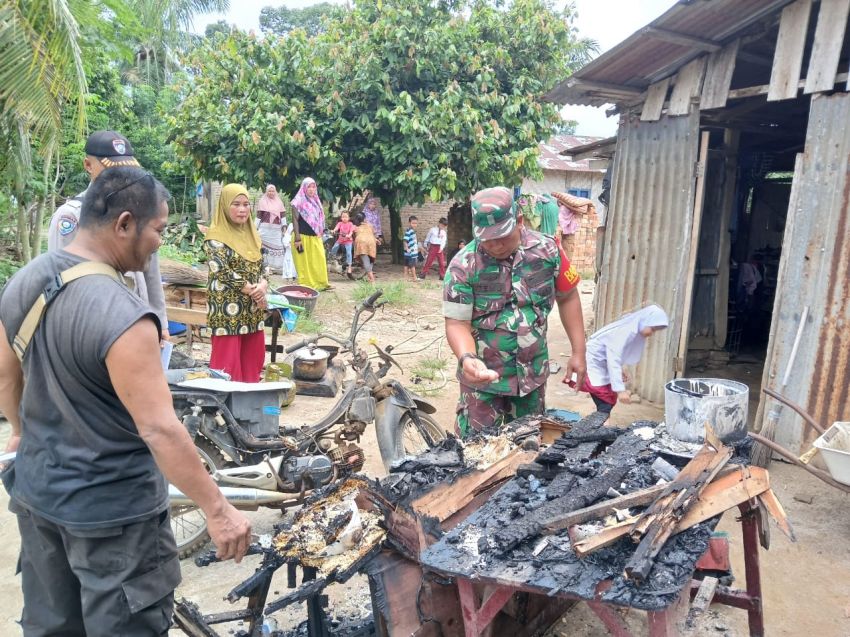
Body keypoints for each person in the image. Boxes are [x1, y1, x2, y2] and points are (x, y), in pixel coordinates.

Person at [0, 166, 252, 635]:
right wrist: (217, 510)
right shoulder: (125, 317)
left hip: (38, 497)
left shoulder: (24, 280)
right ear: (123, 224)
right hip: (112, 519)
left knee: (53, 627)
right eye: (157, 229)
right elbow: (159, 429)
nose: (160, 242)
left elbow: (4, 376)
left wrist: (21, 430)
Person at [443, 186, 587, 437]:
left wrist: (578, 351)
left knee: (528, 452)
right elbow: (457, 323)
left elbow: (568, 296)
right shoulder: (462, 266)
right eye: (487, 238)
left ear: (519, 221)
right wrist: (467, 358)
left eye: (502, 235)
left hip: (532, 379)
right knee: (478, 458)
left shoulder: (548, 251)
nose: (495, 245)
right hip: (483, 385)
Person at [47, 130, 169, 340]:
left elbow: (151, 271)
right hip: (93, 328)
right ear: (88, 165)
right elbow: (62, 276)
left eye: (125, 166)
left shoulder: (142, 209)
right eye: (111, 166)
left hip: (136, 315)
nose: (120, 173)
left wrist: (160, 322)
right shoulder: (71, 216)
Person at [204, 184, 269, 382]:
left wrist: (264, 284)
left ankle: (248, 404)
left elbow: (263, 266)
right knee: (227, 363)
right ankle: (226, 407)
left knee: (252, 358)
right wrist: (253, 291)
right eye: (236, 204)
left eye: (246, 204)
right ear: (224, 206)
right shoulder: (214, 237)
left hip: (251, 310)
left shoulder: (253, 235)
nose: (242, 209)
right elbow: (221, 270)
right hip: (227, 310)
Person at [567, 304, 669, 414]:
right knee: (605, 403)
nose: (652, 333)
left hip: (601, 362)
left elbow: (617, 353)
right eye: (652, 329)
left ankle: (601, 426)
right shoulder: (625, 331)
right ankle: (599, 427)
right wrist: (621, 391)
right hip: (593, 362)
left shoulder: (632, 328)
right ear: (645, 321)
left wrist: (622, 368)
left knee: (608, 402)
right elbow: (613, 359)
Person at [290, 177, 330, 291]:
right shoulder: (298, 201)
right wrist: (297, 239)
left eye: (313, 187)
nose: (311, 189)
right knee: (304, 264)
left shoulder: (316, 201)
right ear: (304, 188)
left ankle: (322, 284)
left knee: (319, 260)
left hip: (315, 237)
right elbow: (295, 220)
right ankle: (307, 286)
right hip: (301, 237)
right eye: (309, 187)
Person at [256, 184, 287, 275]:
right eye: (269, 191)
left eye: (273, 191)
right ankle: (265, 267)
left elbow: (283, 217)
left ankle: (276, 267)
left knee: (278, 246)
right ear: (266, 192)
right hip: (264, 229)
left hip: (276, 230)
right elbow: (258, 217)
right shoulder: (262, 201)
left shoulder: (279, 202)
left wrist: (284, 228)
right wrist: (254, 228)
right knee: (262, 247)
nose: (271, 193)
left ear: (275, 192)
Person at [353, 213, 377, 283]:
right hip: (371, 242)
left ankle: (372, 279)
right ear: (365, 219)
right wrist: (376, 240)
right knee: (371, 260)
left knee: (366, 261)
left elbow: (354, 236)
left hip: (361, 243)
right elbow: (372, 234)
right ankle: (370, 278)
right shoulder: (370, 226)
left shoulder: (356, 228)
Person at [329, 210, 356, 275]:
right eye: (343, 217)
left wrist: (349, 235)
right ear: (341, 218)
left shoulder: (350, 224)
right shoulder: (339, 223)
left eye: (346, 217)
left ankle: (349, 267)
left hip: (348, 241)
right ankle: (332, 259)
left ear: (349, 218)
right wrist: (334, 230)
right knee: (334, 248)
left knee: (349, 253)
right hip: (340, 240)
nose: (344, 218)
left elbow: (351, 231)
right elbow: (336, 228)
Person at [404, 215, 419, 282]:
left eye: (416, 223)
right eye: (413, 223)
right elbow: (405, 240)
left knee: (406, 265)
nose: (414, 224)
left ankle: (405, 278)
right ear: (409, 223)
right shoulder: (410, 231)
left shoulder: (411, 231)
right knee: (412, 266)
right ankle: (414, 277)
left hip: (408, 252)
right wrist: (407, 248)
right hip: (411, 252)